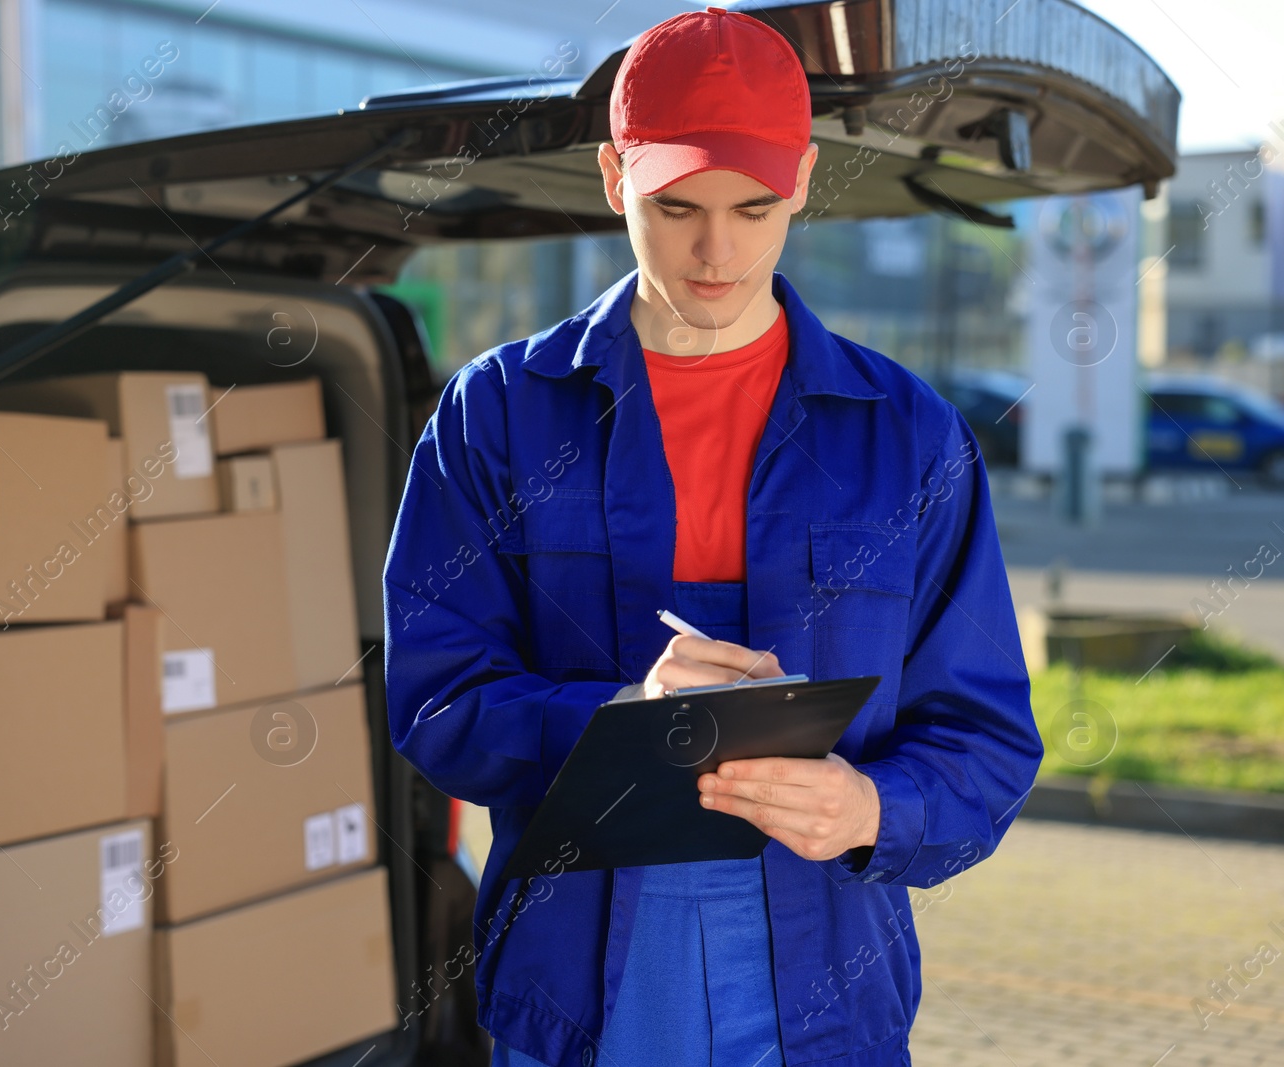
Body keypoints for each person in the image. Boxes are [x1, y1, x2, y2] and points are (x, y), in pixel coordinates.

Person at [381, 7, 1042, 1066]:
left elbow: (987, 738)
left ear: (804, 176)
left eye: (755, 206)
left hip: (822, 984)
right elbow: (435, 699)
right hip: (580, 972)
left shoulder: (907, 436)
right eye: (674, 205)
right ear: (611, 175)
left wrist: (873, 803)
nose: (716, 250)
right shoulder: (496, 416)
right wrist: (614, 717)